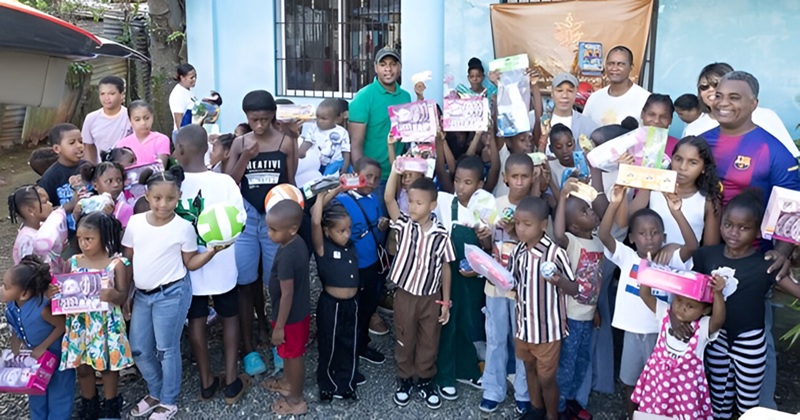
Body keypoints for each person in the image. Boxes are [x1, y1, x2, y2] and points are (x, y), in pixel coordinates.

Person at [121, 166, 221, 419]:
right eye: (157, 198)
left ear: (179, 197)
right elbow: (128, 260)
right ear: (147, 196)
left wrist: (211, 251)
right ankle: (155, 391)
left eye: (170, 198)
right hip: (142, 295)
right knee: (139, 348)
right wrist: (126, 295)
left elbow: (190, 263)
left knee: (166, 348)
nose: (163, 204)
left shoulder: (183, 227)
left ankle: (169, 399)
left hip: (172, 293)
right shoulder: (135, 223)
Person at [693, 190, 800, 419]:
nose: (734, 232)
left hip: (750, 341)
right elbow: (692, 293)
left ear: (758, 231)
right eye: (728, 225)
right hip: (717, 337)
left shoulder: (766, 264)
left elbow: (795, 290)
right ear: (720, 223)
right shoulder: (706, 256)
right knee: (718, 396)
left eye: (744, 227)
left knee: (748, 403)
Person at [598, 185, 698, 419]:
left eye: (655, 233)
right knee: (630, 382)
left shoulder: (670, 260)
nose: (649, 238)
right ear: (632, 238)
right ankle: (633, 415)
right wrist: (615, 203)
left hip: (661, 334)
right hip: (633, 332)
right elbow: (604, 236)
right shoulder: (627, 257)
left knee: (660, 383)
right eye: (642, 233)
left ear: (664, 237)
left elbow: (692, 246)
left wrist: (676, 212)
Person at [172, 124, 249, 404]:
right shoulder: (225, 182)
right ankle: (231, 381)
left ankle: (206, 382)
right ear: (207, 148)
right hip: (223, 265)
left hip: (187, 267)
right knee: (230, 317)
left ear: (181, 150)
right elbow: (240, 221)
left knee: (196, 321)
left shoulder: (173, 184)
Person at [225, 90, 298, 376]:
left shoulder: (285, 142)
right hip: (246, 218)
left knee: (276, 283)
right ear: (246, 117)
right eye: (254, 119)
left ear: (273, 117)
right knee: (245, 282)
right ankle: (248, 347)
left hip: (274, 220)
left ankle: (280, 342)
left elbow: (290, 183)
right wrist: (245, 156)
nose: (259, 125)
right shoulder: (240, 143)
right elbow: (229, 182)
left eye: (265, 119)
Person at [384, 170, 455, 410]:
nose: (412, 207)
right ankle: (404, 379)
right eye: (411, 201)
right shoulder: (404, 225)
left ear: (432, 205)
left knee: (429, 339)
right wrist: (395, 171)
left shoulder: (442, 235)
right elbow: (389, 199)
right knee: (404, 337)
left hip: (431, 298)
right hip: (405, 295)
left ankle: (425, 380)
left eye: (419, 203)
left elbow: (446, 267)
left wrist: (445, 301)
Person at [506, 196, 577, 420]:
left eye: (527, 224)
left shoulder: (555, 253)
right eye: (517, 223)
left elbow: (574, 288)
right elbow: (513, 283)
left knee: (547, 378)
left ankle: (552, 415)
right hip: (524, 328)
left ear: (543, 225)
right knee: (529, 369)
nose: (520, 229)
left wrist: (558, 280)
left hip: (547, 332)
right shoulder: (517, 251)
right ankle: (536, 409)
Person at [59, 212, 133, 419]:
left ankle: (110, 404)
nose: (83, 243)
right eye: (79, 238)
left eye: (89, 239)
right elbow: (63, 289)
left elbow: (122, 295)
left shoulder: (116, 264)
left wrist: (112, 295)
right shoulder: (73, 262)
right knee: (82, 367)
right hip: (80, 324)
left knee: (107, 366)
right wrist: (55, 292)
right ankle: (89, 404)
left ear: (104, 237)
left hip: (106, 324)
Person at [433, 156, 493, 400]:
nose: (460, 187)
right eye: (457, 180)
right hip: (449, 275)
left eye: (467, 182)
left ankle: (467, 369)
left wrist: (485, 238)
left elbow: (489, 249)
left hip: (472, 277)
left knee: (468, 322)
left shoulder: (487, 210)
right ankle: (445, 375)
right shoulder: (445, 203)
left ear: (480, 184)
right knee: (448, 323)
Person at [631, 270, 725, 419]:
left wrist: (718, 294)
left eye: (690, 306)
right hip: (658, 385)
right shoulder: (665, 313)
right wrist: (648, 271)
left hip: (685, 393)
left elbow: (718, 321)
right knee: (654, 414)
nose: (682, 308)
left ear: (705, 310)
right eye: (679, 300)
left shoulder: (702, 327)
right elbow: (645, 295)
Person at [480, 153, 533, 415]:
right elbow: (487, 245)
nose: (519, 182)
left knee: (522, 341)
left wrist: (515, 231)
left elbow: (540, 246)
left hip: (525, 289)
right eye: (515, 176)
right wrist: (484, 235)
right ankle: (492, 389)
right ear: (505, 178)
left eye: (525, 177)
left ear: (533, 178)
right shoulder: (495, 204)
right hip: (495, 286)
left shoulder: (536, 208)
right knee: (495, 338)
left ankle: (524, 391)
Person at [553, 178, 603, 419]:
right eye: (584, 211)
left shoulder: (598, 242)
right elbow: (558, 233)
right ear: (574, 226)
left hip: (587, 315)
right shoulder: (572, 241)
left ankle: (570, 400)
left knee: (581, 361)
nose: (591, 212)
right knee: (566, 363)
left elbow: (595, 281)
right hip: (571, 317)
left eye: (589, 208)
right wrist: (563, 197)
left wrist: (596, 310)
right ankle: (559, 407)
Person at [3, 255, 75, 420]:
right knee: (36, 393)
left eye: (6, 287)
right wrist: (15, 350)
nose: (1, 289)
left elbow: (61, 326)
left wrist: (42, 347)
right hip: (35, 360)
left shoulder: (42, 308)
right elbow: (15, 329)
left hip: (57, 356)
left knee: (59, 393)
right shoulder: (11, 308)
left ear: (24, 294)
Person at [335, 158, 389, 371]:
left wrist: (382, 226)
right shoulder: (341, 201)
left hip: (372, 263)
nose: (372, 182)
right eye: (368, 177)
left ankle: (361, 345)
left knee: (367, 307)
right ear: (355, 175)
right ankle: (345, 355)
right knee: (350, 311)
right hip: (352, 266)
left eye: (377, 178)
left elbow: (375, 229)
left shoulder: (374, 199)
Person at [684, 63, 799, 157]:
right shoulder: (694, 128)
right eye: (704, 87)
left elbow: (790, 157)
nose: (710, 90)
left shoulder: (764, 116)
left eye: (716, 84)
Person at [626, 136, 722, 246]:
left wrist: (678, 249)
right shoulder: (654, 188)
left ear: (704, 168)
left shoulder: (709, 201)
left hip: (687, 257)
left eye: (693, 162)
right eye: (678, 159)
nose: (683, 167)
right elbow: (627, 220)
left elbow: (710, 248)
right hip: (649, 255)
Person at [261, 200, 310, 416]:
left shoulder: (288, 255)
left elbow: (287, 293)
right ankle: (288, 383)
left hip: (290, 318)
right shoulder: (296, 242)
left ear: (292, 229)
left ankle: (296, 400)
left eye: (273, 230)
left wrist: (279, 327)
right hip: (296, 313)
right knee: (289, 354)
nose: (269, 233)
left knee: (294, 356)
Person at [310, 189, 360, 400]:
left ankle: (347, 383)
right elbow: (315, 220)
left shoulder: (350, 246)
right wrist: (325, 195)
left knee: (349, 343)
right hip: (331, 305)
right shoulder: (323, 248)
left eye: (349, 229)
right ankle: (327, 383)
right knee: (328, 343)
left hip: (352, 304)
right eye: (341, 231)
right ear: (327, 231)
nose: (347, 234)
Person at [348, 47, 412, 192]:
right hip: (374, 180)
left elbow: (406, 136)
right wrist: (362, 179)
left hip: (399, 175)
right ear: (376, 68)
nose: (388, 69)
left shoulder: (406, 97)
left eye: (393, 64)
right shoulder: (364, 97)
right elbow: (355, 144)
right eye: (383, 65)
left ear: (399, 67)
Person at [582, 46, 651, 126]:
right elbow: (583, 128)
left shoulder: (645, 99)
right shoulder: (594, 98)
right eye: (611, 64)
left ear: (631, 67)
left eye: (621, 64)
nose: (614, 68)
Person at [38, 123, 87, 236]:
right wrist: (72, 204)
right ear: (57, 148)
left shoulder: (89, 168)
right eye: (72, 143)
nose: (79, 146)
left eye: (80, 141)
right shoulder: (50, 177)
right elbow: (45, 212)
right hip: (67, 235)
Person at [8, 185, 60, 274]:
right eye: (45, 202)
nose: (50, 204)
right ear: (31, 210)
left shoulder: (41, 227)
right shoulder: (28, 240)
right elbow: (31, 271)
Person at [82, 76, 133, 164]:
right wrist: (92, 168)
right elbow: (88, 146)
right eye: (102, 94)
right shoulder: (91, 118)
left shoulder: (131, 116)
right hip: (102, 168)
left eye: (111, 94)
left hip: (129, 167)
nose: (106, 98)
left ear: (122, 94)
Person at [547, 72, 597, 154]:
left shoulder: (588, 125)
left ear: (576, 93)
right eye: (559, 91)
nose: (564, 96)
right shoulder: (537, 119)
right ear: (552, 93)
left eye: (570, 91)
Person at [73, 161, 134, 228]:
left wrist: (108, 217)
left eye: (119, 180)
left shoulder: (125, 209)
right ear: (95, 185)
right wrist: (77, 215)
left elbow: (123, 233)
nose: (116, 184)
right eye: (109, 181)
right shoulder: (88, 206)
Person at [299, 98, 351, 175]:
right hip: (317, 162)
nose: (319, 121)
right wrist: (301, 152)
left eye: (324, 118)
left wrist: (345, 167)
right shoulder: (313, 128)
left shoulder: (342, 132)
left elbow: (346, 151)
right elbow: (307, 142)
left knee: (329, 176)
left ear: (336, 119)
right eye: (317, 117)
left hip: (335, 162)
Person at [116, 100, 171, 168]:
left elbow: (160, 167)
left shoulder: (161, 139)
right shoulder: (122, 145)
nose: (143, 123)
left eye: (147, 118)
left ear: (152, 117)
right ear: (130, 120)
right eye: (137, 119)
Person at [169, 64, 197, 131]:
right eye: (191, 77)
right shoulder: (178, 94)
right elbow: (179, 119)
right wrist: (184, 135)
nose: (194, 79)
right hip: (184, 133)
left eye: (195, 76)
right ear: (182, 78)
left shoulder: (187, 91)